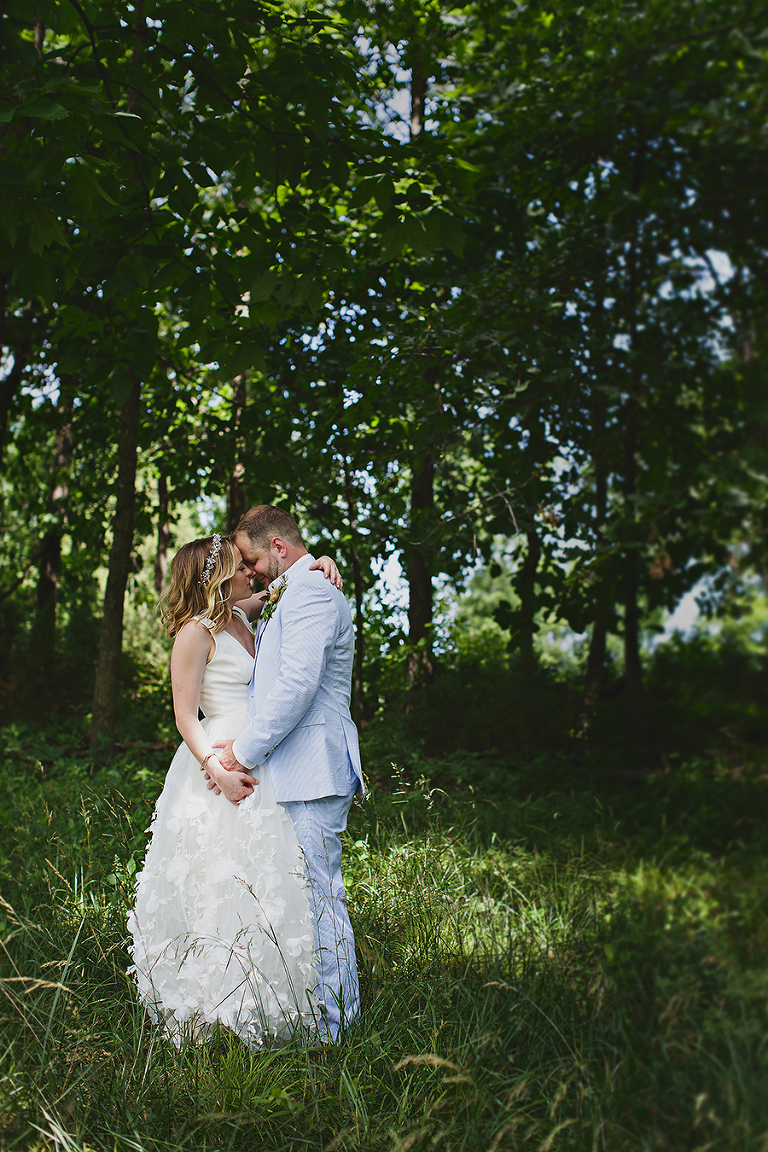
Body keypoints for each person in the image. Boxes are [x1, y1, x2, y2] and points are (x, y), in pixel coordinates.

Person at [127, 533, 343, 1048]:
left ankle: (274, 1000)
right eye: (240, 566)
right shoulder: (194, 633)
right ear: (221, 575)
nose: (251, 571)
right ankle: (216, 1009)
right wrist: (217, 768)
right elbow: (183, 716)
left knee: (266, 877)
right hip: (218, 766)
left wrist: (323, 562)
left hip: (262, 758)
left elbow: (285, 581)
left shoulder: (244, 615)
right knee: (218, 878)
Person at [211, 505, 364, 1043]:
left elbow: (298, 686)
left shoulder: (314, 593)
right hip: (292, 768)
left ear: (278, 546)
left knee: (320, 894)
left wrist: (241, 754)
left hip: (313, 767)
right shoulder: (294, 588)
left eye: (251, 559)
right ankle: (306, 1013)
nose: (247, 571)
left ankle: (336, 1029)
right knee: (301, 895)